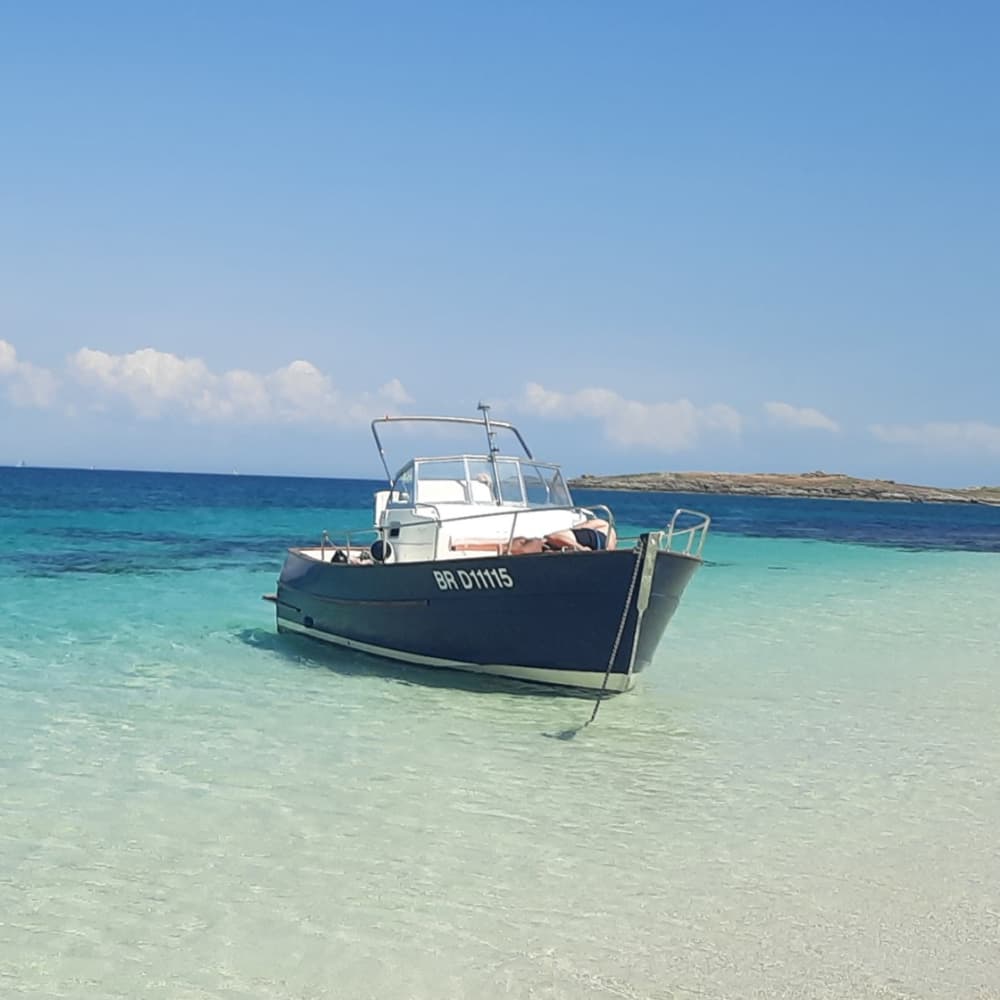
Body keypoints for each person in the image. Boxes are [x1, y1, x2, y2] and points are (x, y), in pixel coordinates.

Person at [543, 517, 616, 552]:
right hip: (603, 548)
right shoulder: (613, 538)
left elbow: (584, 526)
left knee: (550, 537)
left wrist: (571, 529)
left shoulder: (603, 523)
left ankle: (580, 548)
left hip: (595, 537)